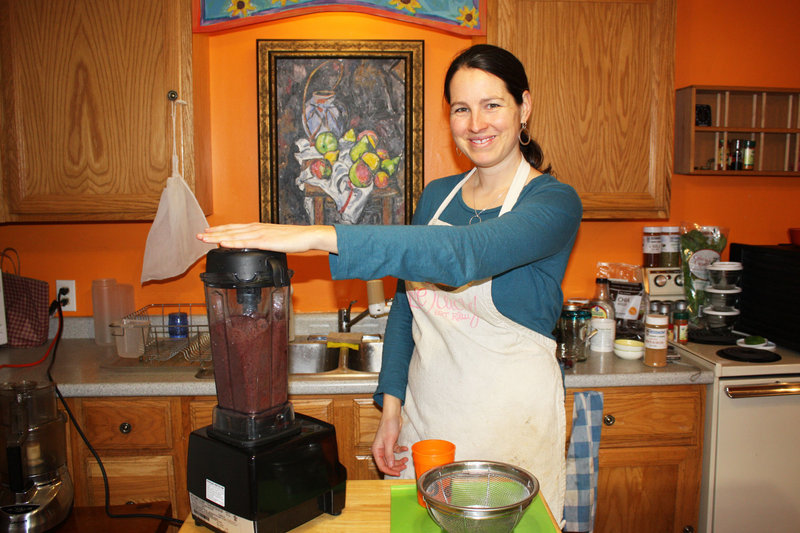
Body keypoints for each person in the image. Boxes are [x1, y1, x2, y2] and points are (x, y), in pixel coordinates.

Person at [197, 44, 581, 522]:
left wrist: (316, 235)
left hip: (509, 429)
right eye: (461, 109)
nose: (476, 123)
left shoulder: (554, 203)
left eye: (492, 105)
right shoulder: (439, 196)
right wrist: (392, 408)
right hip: (429, 425)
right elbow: (407, 307)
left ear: (524, 107)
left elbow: (461, 258)